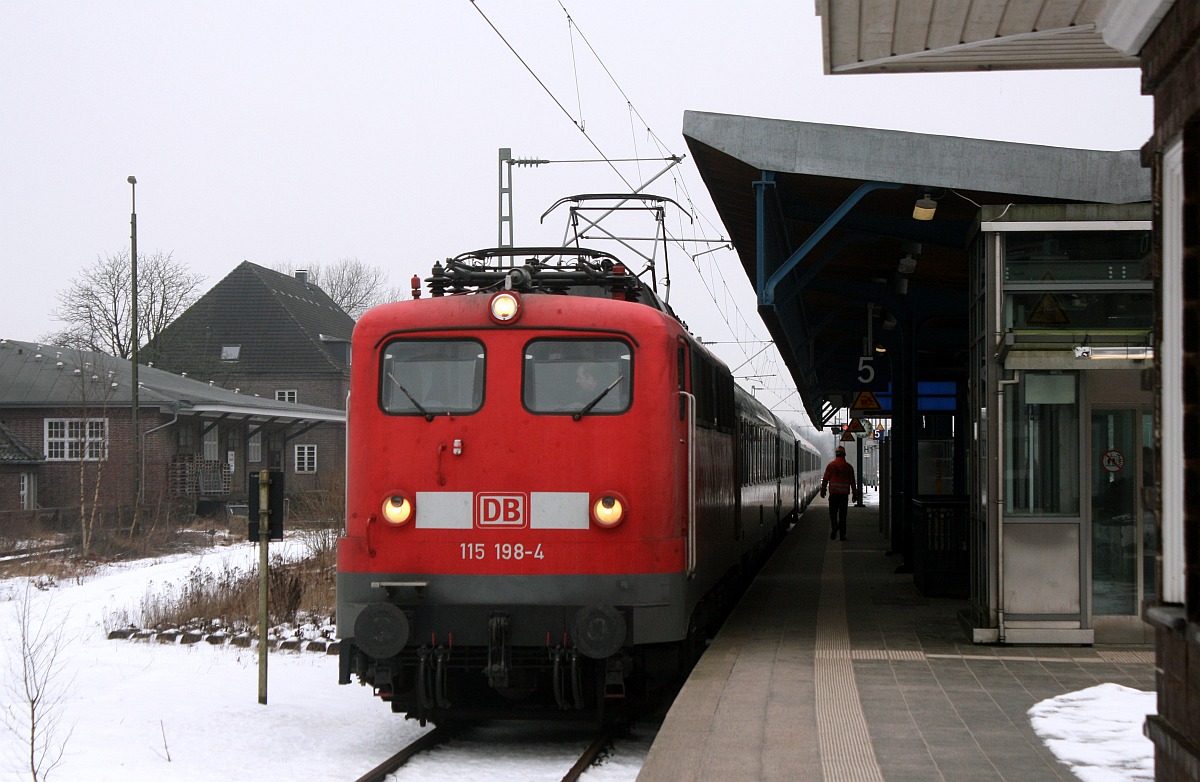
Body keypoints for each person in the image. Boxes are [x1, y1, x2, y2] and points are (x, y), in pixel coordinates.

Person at [820, 445, 857, 541]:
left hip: (834, 494)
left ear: (836, 455)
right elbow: (853, 482)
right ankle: (842, 535)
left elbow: (825, 479)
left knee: (832, 513)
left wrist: (823, 490)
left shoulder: (831, 466)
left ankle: (835, 526)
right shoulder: (849, 467)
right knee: (843, 515)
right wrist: (855, 494)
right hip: (844, 496)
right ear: (844, 455)